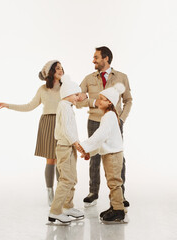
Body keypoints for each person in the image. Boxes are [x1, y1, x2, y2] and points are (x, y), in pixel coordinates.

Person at [0, 60, 64, 206]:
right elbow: (29, 106)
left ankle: (61, 192)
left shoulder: (67, 87)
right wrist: (9, 105)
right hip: (47, 124)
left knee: (61, 159)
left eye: (61, 68)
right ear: (50, 72)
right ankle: (50, 192)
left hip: (62, 123)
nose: (61, 70)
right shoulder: (43, 89)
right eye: (57, 68)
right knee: (50, 160)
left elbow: (74, 103)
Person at [77, 46, 133, 208]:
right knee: (94, 157)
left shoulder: (122, 77)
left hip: (114, 123)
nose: (93, 60)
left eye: (96, 57)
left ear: (106, 58)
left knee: (117, 156)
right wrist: (94, 102)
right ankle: (93, 192)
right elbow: (77, 99)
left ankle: (119, 194)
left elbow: (128, 100)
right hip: (94, 121)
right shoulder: (88, 78)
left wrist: (121, 119)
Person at [77, 83, 126, 223]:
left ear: (110, 102)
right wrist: (90, 153)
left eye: (103, 99)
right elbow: (103, 141)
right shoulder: (108, 116)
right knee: (112, 181)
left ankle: (118, 210)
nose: (99, 101)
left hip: (113, 155)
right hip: (109, 154)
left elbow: (100, 135)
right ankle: (115, 206)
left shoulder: (109, 116)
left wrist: (84, 146)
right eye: (99, 98)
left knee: (114, 182)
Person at [48, 75, 84, 224]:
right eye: (76, 95)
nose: (78, 98)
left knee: (72, 178)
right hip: (65, 147)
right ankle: (55, 211)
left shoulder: (66, 106)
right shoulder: (64, 106)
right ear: (68, 93)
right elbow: (67, 129)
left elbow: (70, 128)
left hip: (69, 146)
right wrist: (76, 143)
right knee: (66, 179)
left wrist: (75, 145)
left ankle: (68, 206)